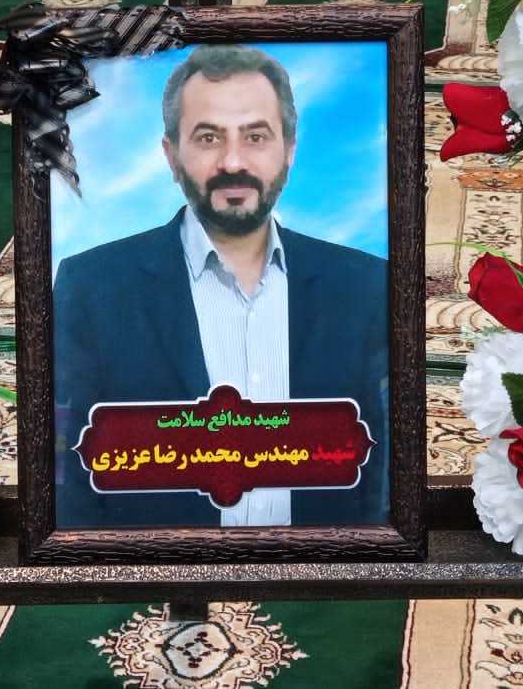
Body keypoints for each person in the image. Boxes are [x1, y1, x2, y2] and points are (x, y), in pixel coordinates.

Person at [53, 44, 389, 529]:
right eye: (208, 138)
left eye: (256, 136)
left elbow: (381, 473)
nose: (233, 161)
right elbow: (68, 475)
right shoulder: (91, 287)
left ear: (289, 150)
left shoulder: (364, 286)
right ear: (171, 155)